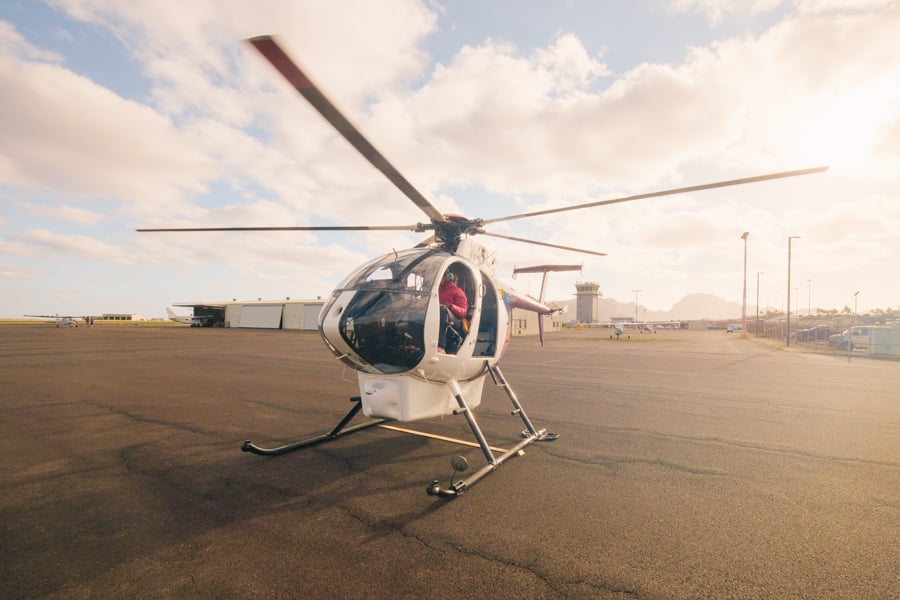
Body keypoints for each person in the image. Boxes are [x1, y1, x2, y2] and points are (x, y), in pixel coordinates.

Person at [438, 270, 468, 353]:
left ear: (447, 277)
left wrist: (450, 306)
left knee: (442, 310)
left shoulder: (458, 291)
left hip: (455, 321)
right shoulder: (436, 291)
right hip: (437, 316)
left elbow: (463, 312)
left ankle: (440, 346)